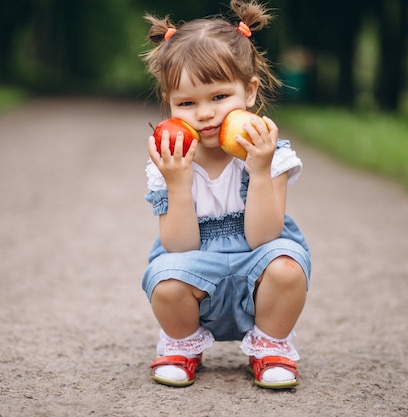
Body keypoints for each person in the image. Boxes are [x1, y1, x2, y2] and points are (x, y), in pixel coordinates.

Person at [141, 0, 311, 390]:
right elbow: (178, 245)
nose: (204, 114)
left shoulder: (270, 153)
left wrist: (260, 168)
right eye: (187, 103)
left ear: (249, 92)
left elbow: (265, 237)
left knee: (287, 266)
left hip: (256, 259)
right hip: (198, 264)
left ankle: (272, 346)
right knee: (165, 282)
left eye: (219, 97)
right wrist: (178, 182)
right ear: (169, 103)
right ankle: (181, 345)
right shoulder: (171, 161)